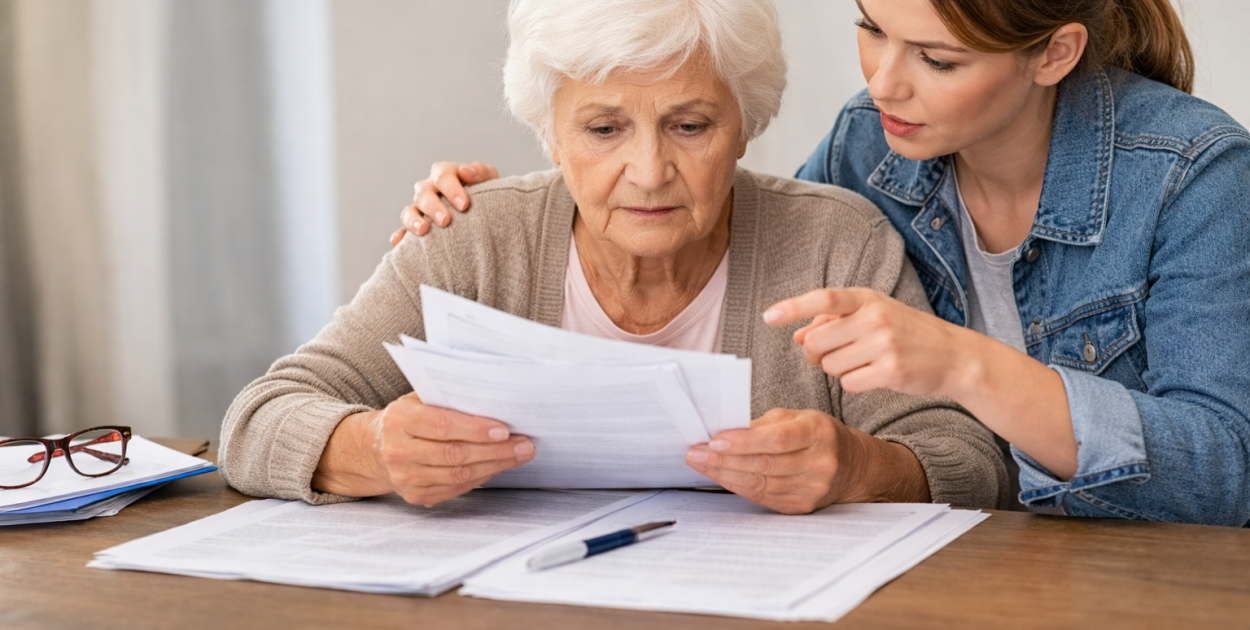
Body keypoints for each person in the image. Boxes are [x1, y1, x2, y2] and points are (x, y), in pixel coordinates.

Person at [398, 0, 1250, 525]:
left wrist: (965, 365)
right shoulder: (869, 146)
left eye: (937, 59)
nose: (884, 82)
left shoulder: (1193, 177)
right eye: (871, 30)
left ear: (1053, 54)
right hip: (960, 558)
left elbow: (1225, 476)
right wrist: (513, 204)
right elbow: (749, 239)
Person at [219, 0, 1006, 513]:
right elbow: (256, 421)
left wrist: (860, 468)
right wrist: (373, 450)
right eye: (603, 130)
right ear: (548, 134)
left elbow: (969, 459)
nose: (649, 170)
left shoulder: (839, 241)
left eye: (690, 126)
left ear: (747, 123)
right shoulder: (473, 236)